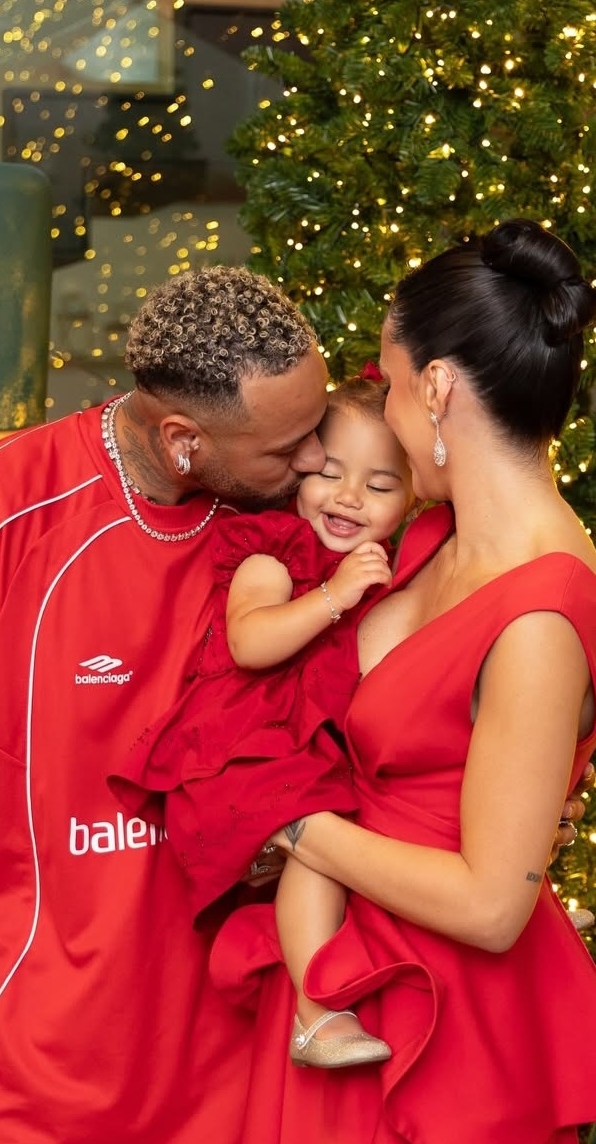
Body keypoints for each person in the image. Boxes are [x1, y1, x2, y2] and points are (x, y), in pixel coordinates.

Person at [0, 263, 586, 1144]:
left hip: (235, 1108)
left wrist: (527, 791)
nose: (319, 466)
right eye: (293, 451)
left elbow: (434, 693)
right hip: (18, 1107)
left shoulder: (314, 530)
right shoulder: (3, 509)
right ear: (184, 442)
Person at [210, 221, 596, 1144]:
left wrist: (292, 823)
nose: (379, 404)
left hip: (439, 1037)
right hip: (337, 1000)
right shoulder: (427, 536)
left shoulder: (543, 612)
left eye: (388, 377)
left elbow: (492, 903)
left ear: (442, 387)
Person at [115, 376, 412, 1069]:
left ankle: (507, 917)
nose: (348, 497)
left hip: (315, 750)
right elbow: (249, 641)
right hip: (245, 751)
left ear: (412, 498)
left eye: (379, 485)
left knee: (394, 806)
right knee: (321, 839)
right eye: (330, 474)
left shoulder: (394, 569)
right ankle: (316, 1010)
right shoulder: (273, 549)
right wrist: (334, 596)